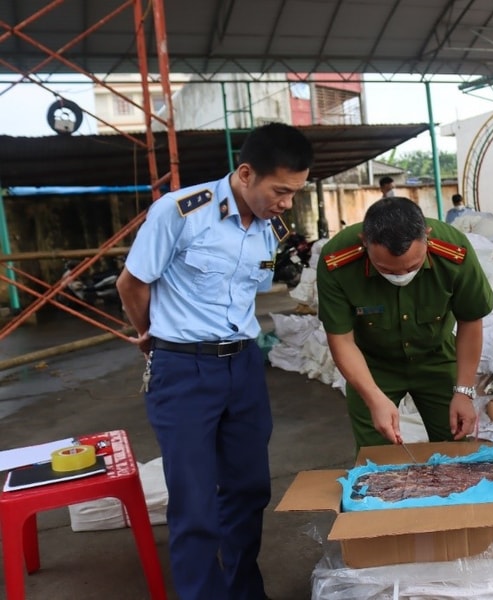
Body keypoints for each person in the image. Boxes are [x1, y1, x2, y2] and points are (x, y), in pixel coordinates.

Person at [116, 123, 314, 600]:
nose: (287, 202)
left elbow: (252, 290)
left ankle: (245, 590)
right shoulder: (181, 213)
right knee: (196, 503)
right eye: (281, 191)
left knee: (248, 491)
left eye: (295, 192)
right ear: (245, 173)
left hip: (243, 367)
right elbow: (132, 284)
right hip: (184, 371)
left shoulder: (273, 228)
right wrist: (151, 336)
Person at [316, 196, 493, 449]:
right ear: (364, 242)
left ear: (427, 237)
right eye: (386, 270)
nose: (402, 276)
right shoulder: (338, 261)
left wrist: (464, 392)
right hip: (372, 365)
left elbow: (470, 320)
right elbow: (341, 339)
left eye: (413, 266)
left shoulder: (454, 251)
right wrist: (373, 398)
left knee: (453, 445)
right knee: (375, 457)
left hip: (437, 357)